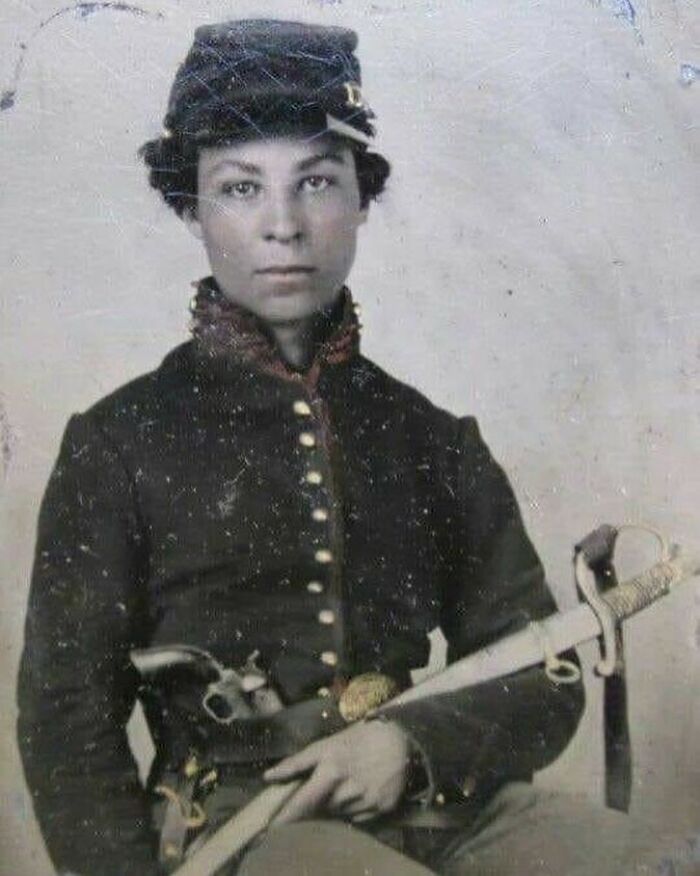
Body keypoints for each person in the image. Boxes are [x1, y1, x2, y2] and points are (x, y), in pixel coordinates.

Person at [16, 18, 693, 876]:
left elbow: (542, 675)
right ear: (189, 208)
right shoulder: (119, 444)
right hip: (243, 836)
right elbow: (65, 722)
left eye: (317, 182)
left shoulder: (434, 440)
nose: (284, 226)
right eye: (238, 188)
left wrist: (409, 746)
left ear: (361, 199)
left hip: (448, 808)